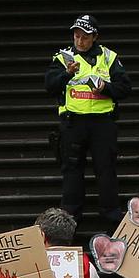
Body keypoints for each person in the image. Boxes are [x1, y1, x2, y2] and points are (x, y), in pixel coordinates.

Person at [47, 14, 129, 223]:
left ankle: (111, 221)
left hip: (102, 123)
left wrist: (106, 87)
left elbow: (125, 87)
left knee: (106, 172)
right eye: (76, 36)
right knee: (72, 174)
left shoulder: (109, 57)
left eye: (84, 36)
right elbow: (50, 85)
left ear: (95, 37)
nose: (80, 41)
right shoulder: (63, 57)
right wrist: (66, 73)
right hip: (73, 123)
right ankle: (70, 222)